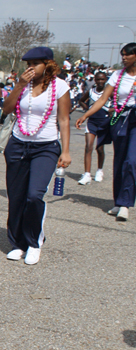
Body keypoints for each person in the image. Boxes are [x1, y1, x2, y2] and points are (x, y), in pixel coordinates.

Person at [2, 47, 71, 264]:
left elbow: (64, 120)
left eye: (35, 64)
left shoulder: (60, 86)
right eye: (27, 64)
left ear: (48, 64)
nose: (30, 68)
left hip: (46, 147)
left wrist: (66, 150)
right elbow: (6, 109)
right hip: (18, 145)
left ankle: (34, 241)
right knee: (16, 197)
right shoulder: (23, 85)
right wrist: (20, 85)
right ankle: (17, 243)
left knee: (34, 195)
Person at [77, 43, 136, 221]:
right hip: (121, 119)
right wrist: (86, 114)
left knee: (131, 161)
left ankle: (125, 203)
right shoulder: (118, 75)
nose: (123, 58)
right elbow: (103, 98)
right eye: (122, 55)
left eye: (127, 55)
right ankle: (118, 201)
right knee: (119, 161)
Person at [75, 71, 111, 185]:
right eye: (98, 79)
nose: (100, 82)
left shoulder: (109, 92)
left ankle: (99, 170)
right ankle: (87, 174)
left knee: (99, 149)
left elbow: (118, 104)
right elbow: (81, 100)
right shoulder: (90, 91)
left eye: (102, 79)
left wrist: (111, 110)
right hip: (92, 122)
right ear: (95, 80)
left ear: (106, 80)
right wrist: (87, 109)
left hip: (104, 122)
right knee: (88, 147)